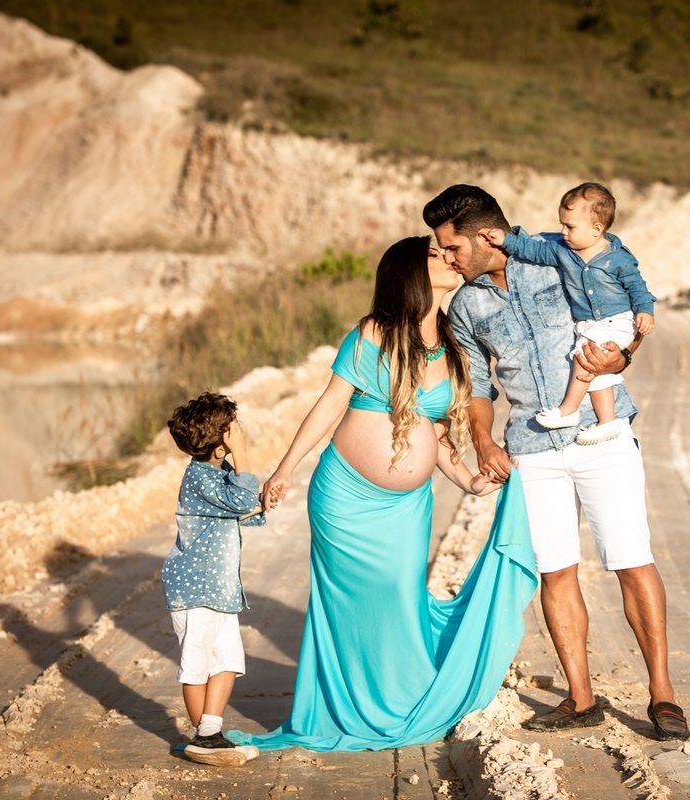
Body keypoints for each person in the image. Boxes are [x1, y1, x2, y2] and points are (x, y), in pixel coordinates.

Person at [231, 236, 539, 752]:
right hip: (346, 499)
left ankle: (396, 698)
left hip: (407, 507)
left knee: (397, 599)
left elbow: (438, 432)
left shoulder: (452, 341)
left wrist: (466, 479)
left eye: (447, 253)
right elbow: (330, 406)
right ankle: (346, 708)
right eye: (435, 255)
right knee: (352, 607)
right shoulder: (372, 332)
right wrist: (284, 469)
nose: (448, 257)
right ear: (408, 273)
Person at [424, 185, 690, 741]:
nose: (447, 259)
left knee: (630, 559)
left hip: (601, 432)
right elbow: (477, 386)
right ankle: (581, 695)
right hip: (529, 447)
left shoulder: (561, 250)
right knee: (556, 570)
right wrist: (482, 438)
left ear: (483, 236)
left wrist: (625, 354)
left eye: (452, 247)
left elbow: (623, 312)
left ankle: (662, 695)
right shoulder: (466, 305)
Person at [480, 182, 655, 446]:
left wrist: (646, 311)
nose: (562, 232)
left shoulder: (618, 258)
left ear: (597, 229)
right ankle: (607, 421)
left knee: (585, 358)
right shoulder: (563, 251)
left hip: (617, 319)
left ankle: (568, 410)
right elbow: (534, 250)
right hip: (589, 323)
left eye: (570, 227)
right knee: (597, 369)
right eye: (561, 224)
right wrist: (506, 240)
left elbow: (637, 287)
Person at [162, 392, 265, 767]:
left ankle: (211, 729)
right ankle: (203, 735)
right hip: (194, 590)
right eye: (232, 426)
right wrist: (243, 454)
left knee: (227, 660)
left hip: (219, 590)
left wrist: (263, 501)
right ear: (219, 442)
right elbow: (237, 502)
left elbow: (241, 509)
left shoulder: (217, 473)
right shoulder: (199, 476)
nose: (239, 430)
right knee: (197, 663)